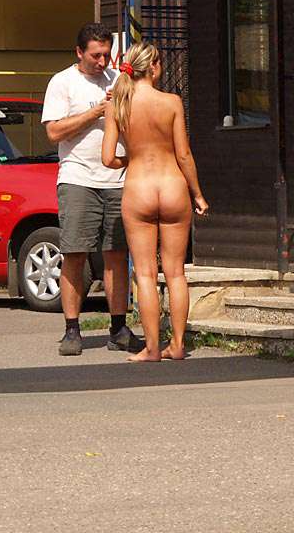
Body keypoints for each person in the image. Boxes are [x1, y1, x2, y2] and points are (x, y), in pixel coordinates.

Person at [101, 42, 209, 362]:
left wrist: (131, 160)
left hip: (139, 189)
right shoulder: (172, 102)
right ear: (154, 66)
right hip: (173, 186)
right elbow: (183, 154)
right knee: (175, 273)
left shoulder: (117, 105)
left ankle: (151, 348)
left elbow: (107, 158)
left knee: (146, 273)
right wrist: (198, 194)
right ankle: (177, 344)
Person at [42, 24, 144, 356]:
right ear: (79, 52)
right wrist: (97, 112)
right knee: (75, 253)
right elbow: (54, 132)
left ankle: (118, 328)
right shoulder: (62, 82)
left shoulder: (118, 80)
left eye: (106, 55)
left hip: (117, 179)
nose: (102, 62)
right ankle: (72, 330)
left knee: (116, 254)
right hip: (78, 178)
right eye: (95, 55)